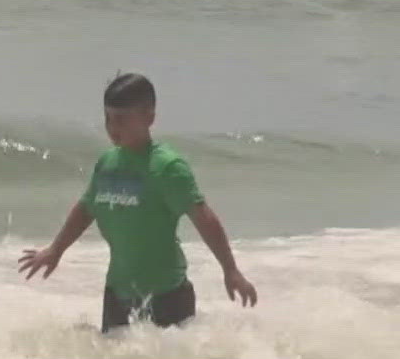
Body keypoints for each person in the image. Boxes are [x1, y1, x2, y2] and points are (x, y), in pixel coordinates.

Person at [18, 73, 257, 332]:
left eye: (121, 119)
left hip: (166, 295)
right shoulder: (107, 164)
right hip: (117, 293)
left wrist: (230, 270)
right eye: (108, 118)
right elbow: (87, 208)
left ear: (149, 117)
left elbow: (204, 219)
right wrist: (56, 250)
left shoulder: (167, 167)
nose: (112, 127)